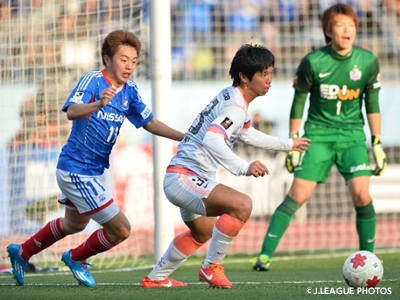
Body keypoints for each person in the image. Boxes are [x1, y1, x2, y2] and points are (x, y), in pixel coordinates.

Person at [6, 29, 184, 287]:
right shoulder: (92, 81)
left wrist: (183, 137)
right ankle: (76, 258)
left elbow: (149, 122)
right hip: (75, 170)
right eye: (123, 59)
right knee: (121, 229)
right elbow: (72, 111)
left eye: (134, 61)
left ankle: (22, 252)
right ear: (107, 59)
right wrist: (98, 104)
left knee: (73, 224)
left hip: (92, 171)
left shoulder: (130, 90)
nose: (129, 66)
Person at [140, 44, 311, 289]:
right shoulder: (235, 108)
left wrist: (287, 144)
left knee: (202, 233)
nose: (269, 80)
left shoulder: (232, 97)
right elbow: (212, 137)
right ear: (244, 76)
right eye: (264, 74)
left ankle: (155, 278)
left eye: (271, 73)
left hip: (184, 177)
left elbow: (248, 134)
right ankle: (211, 267)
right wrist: (243, 167)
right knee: (242, 205)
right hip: (185, 177)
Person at [252, 3, 388, 272]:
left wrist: (377, 142)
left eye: (351, 25)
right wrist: (293, 141)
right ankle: (265, 255)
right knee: (298, 195)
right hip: (318, 135)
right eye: (340, 25)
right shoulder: (313, 62)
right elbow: (298, 102)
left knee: (362, 196)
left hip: (352, 137)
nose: (347, 30)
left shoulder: (368, 61)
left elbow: (372, 104)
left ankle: (368, 260)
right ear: (328, 30)